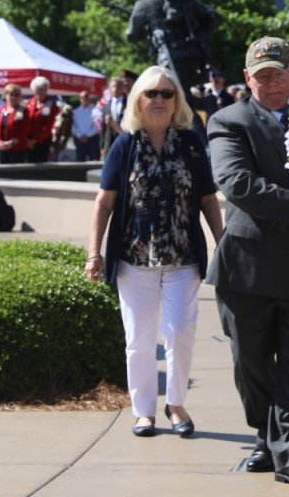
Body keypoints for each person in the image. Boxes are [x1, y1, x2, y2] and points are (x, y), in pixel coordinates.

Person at [206, 37, 289, 490]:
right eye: (261, 76)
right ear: (248, 80)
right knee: (252, 364)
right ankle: (267, 435)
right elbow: (235, 181)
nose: (272, 83)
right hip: (249, 273)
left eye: (279, 74)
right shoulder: (230, 121)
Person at [85, 66, 223, 438]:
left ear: (176, 100)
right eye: (151, 93)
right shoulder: (125, 144)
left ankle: (176, 404)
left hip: (183, 258)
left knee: (180, 330)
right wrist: (93, 253)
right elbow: (104, 201)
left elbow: (209, 199)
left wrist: (222, 243)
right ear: (138, 100)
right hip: (134, 260)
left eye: (167, 93)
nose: (159, 99)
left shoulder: (191, 142)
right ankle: (143, 411)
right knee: (139, 340)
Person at [0, 83, 32, 164]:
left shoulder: (23, 110)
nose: (13, 97)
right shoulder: (0, 110)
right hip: (0, 148)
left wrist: (11, 143)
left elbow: (24, 130)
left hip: (16, 150)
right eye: (11, 94)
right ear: (6, 95)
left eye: (16, 95)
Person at [23, 76, 59, 163]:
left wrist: (35, 140)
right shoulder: (28, 102)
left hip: (42, 140)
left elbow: (49, 124)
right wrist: (27, 140)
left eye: (45, 89)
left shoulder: (50, 104)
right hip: (28, 141)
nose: (42, 92)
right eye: (40, 89)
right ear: (34, 90)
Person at [71, 90, 101, 162]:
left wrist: (88, 136)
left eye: (86, 97)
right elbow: (73, 126)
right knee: (80, 161)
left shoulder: (96, 110)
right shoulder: (76, 112)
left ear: (90, 98)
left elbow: (97, 125)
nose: (84, 99)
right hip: (80, 139)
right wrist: (80, 136)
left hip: (93, 139)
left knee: (94, 161)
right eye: (82, 97)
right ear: (80, 99)